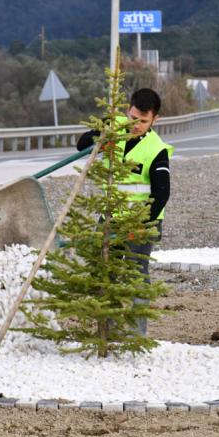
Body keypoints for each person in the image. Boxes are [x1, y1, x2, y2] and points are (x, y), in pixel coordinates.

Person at [76, 88, 172, 335]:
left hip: (142, 223)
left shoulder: (156, 149)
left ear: (154, 120)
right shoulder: (114, 125)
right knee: (103, 270)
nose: (136, 125)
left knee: (136, 276)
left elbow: (161, 194)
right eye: (133, 117)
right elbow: (81, 144)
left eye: (143, 121)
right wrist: (101, 137)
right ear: (127, 110)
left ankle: (136, 335)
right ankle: (106, 331)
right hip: (110, 218)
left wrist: (143, 223)